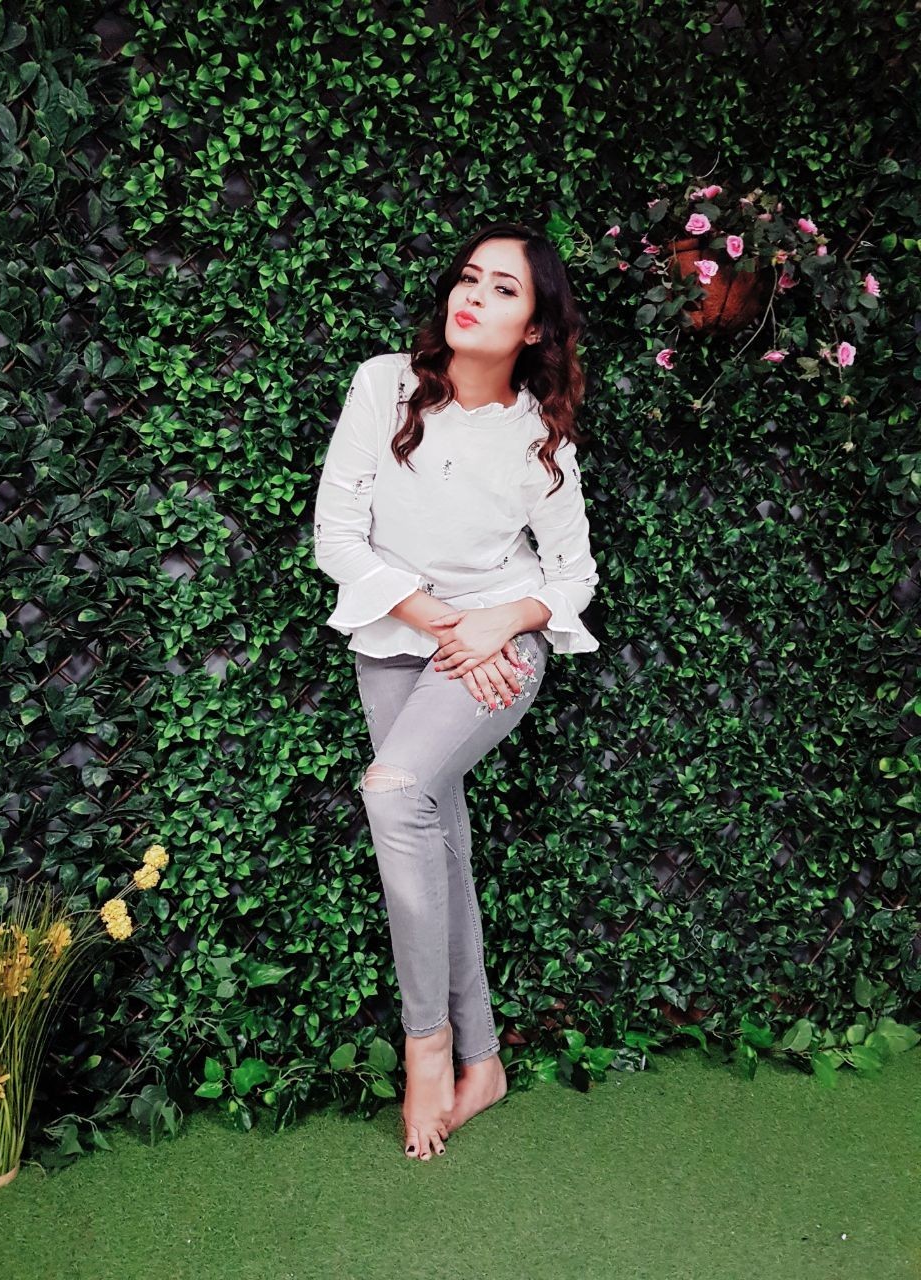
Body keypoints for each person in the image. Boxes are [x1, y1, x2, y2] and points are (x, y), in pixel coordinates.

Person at [312, 220, 600, 1162]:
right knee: (437, 835)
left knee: (395, 792)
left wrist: (501, 622)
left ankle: (427, 1045)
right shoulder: (383, 385)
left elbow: (574, 575)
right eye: (469, 278)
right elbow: (337, 538)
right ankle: (485, 1060)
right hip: (400, 639)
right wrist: (449, 625)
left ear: (534, 328)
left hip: (499, 654)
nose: (473, 296)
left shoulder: (538, 438)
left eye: (504, 289)